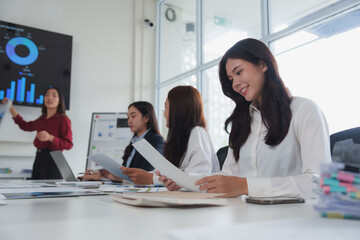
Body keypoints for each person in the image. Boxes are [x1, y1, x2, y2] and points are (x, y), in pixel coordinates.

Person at [161, 38, 332, 198]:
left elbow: (319, 182)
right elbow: (227, 176)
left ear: (263, 64)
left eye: (239, 72)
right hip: (245, 214)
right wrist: (185, 183)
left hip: (291, 220)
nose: (234, 83)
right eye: (231, 78)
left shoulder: (304, 110)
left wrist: (246, 186)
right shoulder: (242, 122)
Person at [100, 86, 220, 185]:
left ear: (178, 109)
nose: (164, 112)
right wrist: (130, 177)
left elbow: (198, 178)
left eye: (166, 107)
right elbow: (165, 173)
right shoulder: (181, 139)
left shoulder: (197, 133)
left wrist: (150, 179)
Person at [79, 101, 164, 181]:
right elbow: (125, 171)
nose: (129, 121)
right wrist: (102, 175)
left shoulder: (155, 140)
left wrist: (121, 177)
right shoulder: (134, 142)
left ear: (146, 118)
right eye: (128, 117)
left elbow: (146, 172)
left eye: (133, 116)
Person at [1, 87, 73, 179]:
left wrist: (51, 138)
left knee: (52, 192)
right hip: (39, 156)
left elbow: (69, 144)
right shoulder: (42, 119)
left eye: (54, 95)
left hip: (56, 158)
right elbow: (25, 126)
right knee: (35, 190)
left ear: (59, 101)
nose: (50, 98)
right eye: (47, 95)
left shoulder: (64, 120)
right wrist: (10, 108)